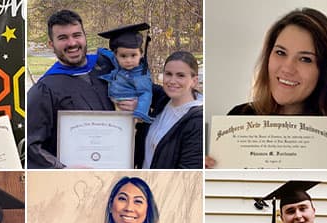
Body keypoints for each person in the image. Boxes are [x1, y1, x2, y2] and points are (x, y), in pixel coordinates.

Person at [208, 8, 327, 169]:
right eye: (280, 53)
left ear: (324, 70)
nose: (287, 68)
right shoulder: (239, 116)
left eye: (305, 59)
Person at [27, 10, 133, 169]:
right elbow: (32, 147)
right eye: (62, 38)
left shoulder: (107, 67)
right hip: (76, 179)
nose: (72, 43)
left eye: (76, 35)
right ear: (51, 44)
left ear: (84, 36)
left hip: (117, 168)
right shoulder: (45, 89)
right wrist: (62, 169)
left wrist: (136, 104)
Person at [136, 51, 204, 169]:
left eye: (180, 75)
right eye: (168, 74)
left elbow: (188, 170)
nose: (172, 81)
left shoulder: (197, 121)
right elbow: (137, 84)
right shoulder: (163, 100)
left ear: (194, 81)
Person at [97, 23, 155, 123]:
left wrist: (139, 112)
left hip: (129, 107)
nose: (128, 60)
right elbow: (110, 56)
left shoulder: (140, 75)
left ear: (141, 54)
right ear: (116, 55)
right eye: (123, 56)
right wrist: (101, 51)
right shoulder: (118, 62)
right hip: (114, 103)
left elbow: (146, 93)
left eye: (133, 55)